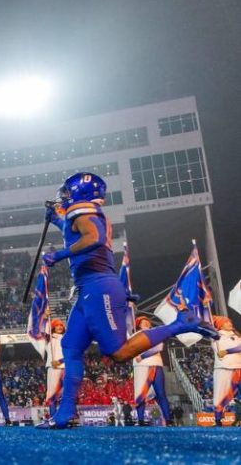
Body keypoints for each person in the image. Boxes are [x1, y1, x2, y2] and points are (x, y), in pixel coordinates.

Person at [39, 172, 217, 429]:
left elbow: (93, 238)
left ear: (80, 192)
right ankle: (65, 413)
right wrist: (56, 219)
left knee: (118, 352)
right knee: (70, 346)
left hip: (98, 287)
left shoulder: (85, 213)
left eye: (68, 192)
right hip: (89, 288)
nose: (64, 196)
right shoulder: (82, 215)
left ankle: (180, 324)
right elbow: (77, 233)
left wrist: (60, 254)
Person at [132, 316, 171, 426]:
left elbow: (158, 348)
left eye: (147, 322)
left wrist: (143, 355)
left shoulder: (156, 332)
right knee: (140, 394)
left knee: (160, 393)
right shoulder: (135, 336)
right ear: (139, 325)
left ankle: (168, 420)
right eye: (143, 322)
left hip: (154, 364)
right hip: (140, 367)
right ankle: (140, 420)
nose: (146, 323)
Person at [212, 316, 241, 427]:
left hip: (239, 368)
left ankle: (238, 418)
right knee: (221, 395)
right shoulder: (216, 336)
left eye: (230, 321)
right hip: (224, 368)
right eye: (226, 322)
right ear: (220, 325)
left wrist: (228, 351)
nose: (230, 323)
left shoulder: (237, 336)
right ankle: (218, 419)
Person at [44, 319, 66, 417]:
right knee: (52, 394)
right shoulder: (49, 338)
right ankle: (53, 417)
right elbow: (43, 331)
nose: (60, 327)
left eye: (61, 325)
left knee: (66, 394)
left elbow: (70, 354)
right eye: (57, 325)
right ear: (53, 327)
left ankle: (65, 417)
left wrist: (60, 361)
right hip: (53, 369)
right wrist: (45, 318)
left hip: (65, 367)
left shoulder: (67, 338)